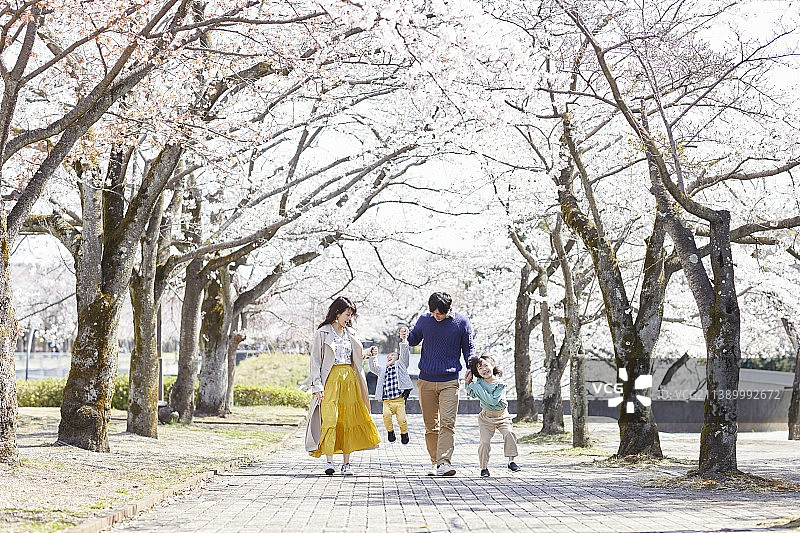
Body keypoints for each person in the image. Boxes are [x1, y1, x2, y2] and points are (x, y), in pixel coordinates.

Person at [305, 296, 380, 475]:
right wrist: (317, 385)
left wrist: (368, 353)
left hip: (349, 381)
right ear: (337, 313)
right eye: (347, 314)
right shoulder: (322, 333)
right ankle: (329, 461)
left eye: (351, 315)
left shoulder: (350, 334)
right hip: (330, 380)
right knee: (330, 418)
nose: (349, 318)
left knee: (347, 419)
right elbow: (315, 360)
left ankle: (346, 464)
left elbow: (355, 357)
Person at [407, 292, 474, 476]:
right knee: (431, 425)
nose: (437, 316)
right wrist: (406, 335)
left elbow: (468, 348)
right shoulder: (424, 320)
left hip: (449, 381)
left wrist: (471, 366)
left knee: (447, 422)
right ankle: (435, 461)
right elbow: (414, 339)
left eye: (440, 313)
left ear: (449, 309)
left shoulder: (461, 323)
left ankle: (444, 462)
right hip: (426, 380)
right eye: (434, 313)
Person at [465, 354, 520, 477]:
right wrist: (467, 383)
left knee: (509, 434)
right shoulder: (479, 383)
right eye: (480, 368)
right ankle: (484, 468)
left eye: (486, 365)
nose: (484, 369)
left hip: (502, 416)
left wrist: (475, 386)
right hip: (486, 418)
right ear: (477, 372)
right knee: (484, 442)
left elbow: (492, 401)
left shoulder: (500, 384)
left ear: (493, 365)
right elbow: (472, 394)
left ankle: (511, 461)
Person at [369, 326, 413, 444]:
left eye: (393, 355)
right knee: (386, 417)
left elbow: (404, 354)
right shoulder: (383, 370)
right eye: (388, 356)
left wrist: (404, 341)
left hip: (399, 400)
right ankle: (390, 432)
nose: (389, 356)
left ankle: (404, 433)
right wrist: (373, 356)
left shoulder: (402, 365)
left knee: (402, 420)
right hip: (387, 401)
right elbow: (373, 367)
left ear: (398, 358)